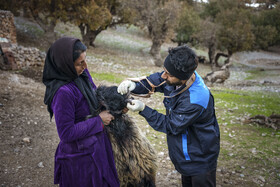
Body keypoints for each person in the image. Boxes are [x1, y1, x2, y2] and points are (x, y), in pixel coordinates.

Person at [117, 45, 220, 187]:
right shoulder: (179, 76)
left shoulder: (196, 99)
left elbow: (171, 125)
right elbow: (158, 80)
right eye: (165, 71)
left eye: (168, 74)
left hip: (199, 157)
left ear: (182, 77)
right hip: (186, 153)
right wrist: (134, 85)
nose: (164, 76)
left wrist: (143, 109)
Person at [42, 37, 119, 187]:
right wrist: (99, 121)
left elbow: (95, 94)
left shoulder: (81, 75)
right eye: (79, 63)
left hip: (96, 146)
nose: (85, 66)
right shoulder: (63, 93)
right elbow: (66, 133)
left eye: (85, 60)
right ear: (65, 65)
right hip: (80, 158)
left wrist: (116, 102)